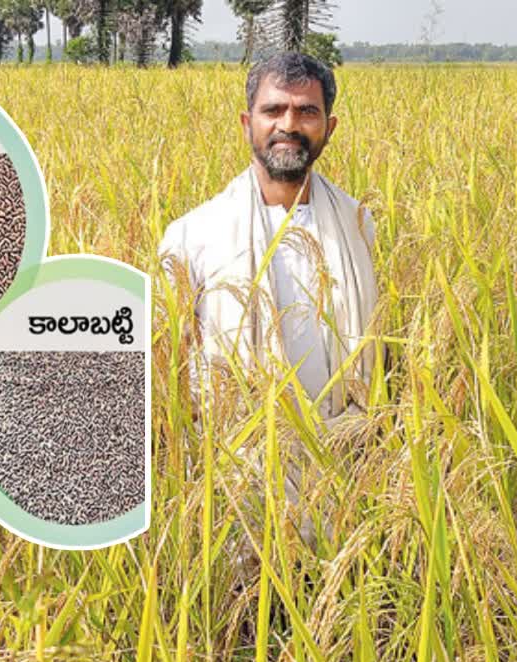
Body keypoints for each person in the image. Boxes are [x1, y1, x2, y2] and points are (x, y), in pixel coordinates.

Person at [157, 52, 379, 566]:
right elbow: (175, 368)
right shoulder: (192, 235)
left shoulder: (357, 225)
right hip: (237, 479)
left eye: (307, 111)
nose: (289, 125)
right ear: (247, 123)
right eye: (274, 110)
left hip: (340, 473)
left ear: (330, 126)